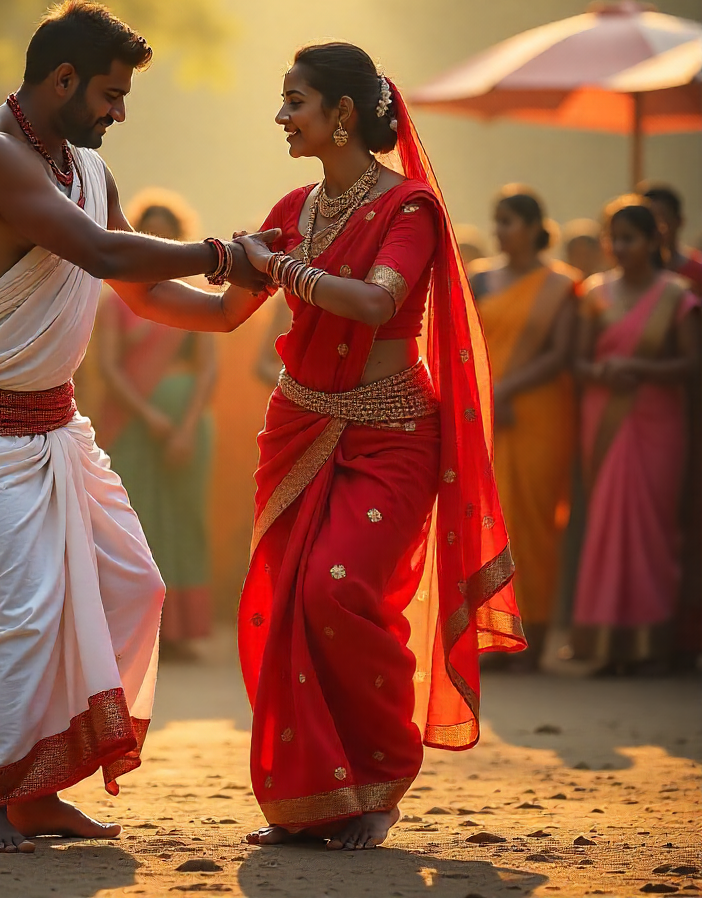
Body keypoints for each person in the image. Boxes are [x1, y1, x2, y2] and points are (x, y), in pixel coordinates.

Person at [0, 0, 272, 854]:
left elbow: (140, 292)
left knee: (131, 586)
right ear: (63, 79)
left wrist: (230, 309)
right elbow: (108, 256)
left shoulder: (84, 164)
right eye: (112, 94)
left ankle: (39, 793)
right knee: (24, 614)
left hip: (51, 423)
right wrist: (223, 254)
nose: (120, 112)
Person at [106, 43, 524, 851]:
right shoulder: (294, 205)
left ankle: (381, 775)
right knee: (287, 602)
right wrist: (114, 262)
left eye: (295, 101)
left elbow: (373, 304)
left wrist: (284, 269)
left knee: (338, 589)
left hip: (394, 433)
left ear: (341, 115)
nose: (281, 117)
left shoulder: (409, 210)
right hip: (302, 424)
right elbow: (225, 312)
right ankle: (313, 803)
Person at [572, 197, 700, 673]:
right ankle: (606, 645)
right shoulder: (595, 293)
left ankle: (652, 646)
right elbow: (578, 361)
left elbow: (691, 363)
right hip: (604, 413)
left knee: (654, 530)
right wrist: (604, 373)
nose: (620, 247)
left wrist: (640, 367)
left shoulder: (677, 296)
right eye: (614, 237)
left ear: (653, 241)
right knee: (606, 526)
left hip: (657, 418)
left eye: (629, 238)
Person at [96, 191, 217, 656]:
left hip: (188, 422)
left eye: (169, 234)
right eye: (152, 234)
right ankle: (136, 627)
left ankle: (183, 632)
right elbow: (108, 367)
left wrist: (183, 427)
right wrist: (150, 418)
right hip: (132, 421)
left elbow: (207, 369)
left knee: (186, 519)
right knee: (135, 520)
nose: (161, 241)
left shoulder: (200, 298)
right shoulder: (116, 300)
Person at [470, 187, 579, 669]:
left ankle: (532, 633)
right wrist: (488, 394)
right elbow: (463, 341)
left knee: (534, 522)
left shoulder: (561, 284)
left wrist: (508, 390)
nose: (500, 231)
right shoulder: (480, 280)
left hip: (538, 411)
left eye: (509, 221)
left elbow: (560, 353)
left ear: (536, 227)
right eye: (496, 221)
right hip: (485, 411)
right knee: (489, 520)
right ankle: (494, 637)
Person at [641, 183, 702, 294]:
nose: (656, 229)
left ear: (679, 221)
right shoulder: (631, 273)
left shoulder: (698, 270)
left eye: (662, 220)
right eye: (649, 221)